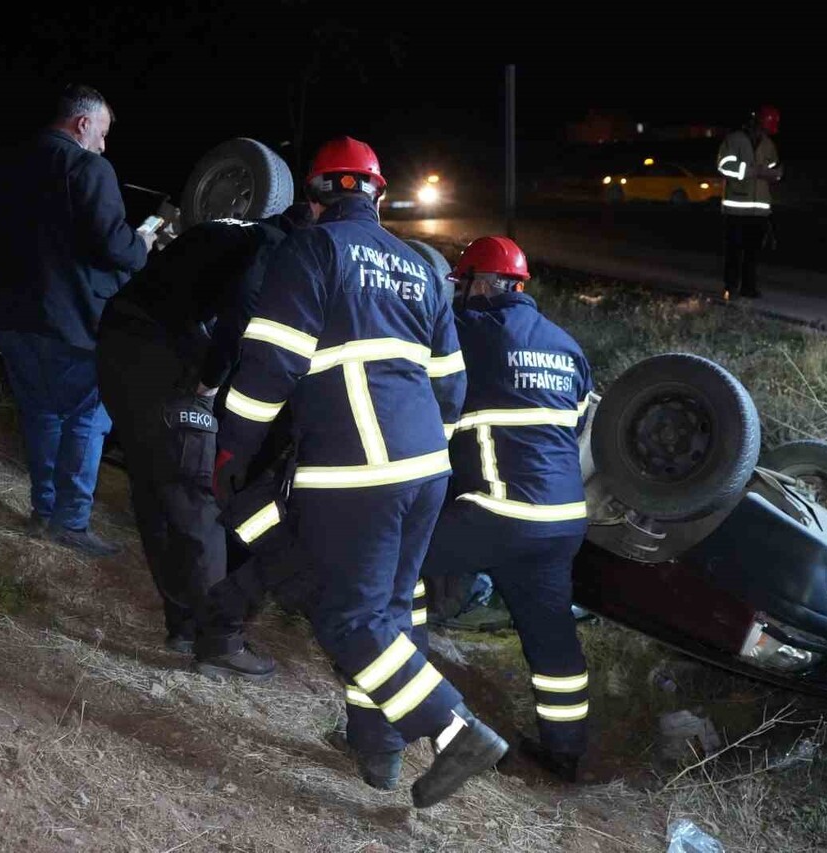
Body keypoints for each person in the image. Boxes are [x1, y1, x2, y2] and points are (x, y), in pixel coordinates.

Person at [213, 136, 508, 809]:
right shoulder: (422, 268)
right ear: (376, 194)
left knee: (348, 616)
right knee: (389, 612)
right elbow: (452, 388)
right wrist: (417, 454)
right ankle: (377, 751)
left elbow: (271, 364)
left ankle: (453, 728)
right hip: (426, 469)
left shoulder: (314, 249)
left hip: (356, 470)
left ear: (316, 198)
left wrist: (231, 449)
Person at [96, 190, 314, 680]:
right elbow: (241, 310)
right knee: (197, 498)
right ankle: (220, 639)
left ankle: (184, 626)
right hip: (160, 357)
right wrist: (211, 380)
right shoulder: (277, 246)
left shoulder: (230, 228)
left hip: (119, 347)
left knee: (155, 490)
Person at [418, 236, 594, 782]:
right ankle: (564, 754)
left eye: (465, 284)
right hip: (562, 522)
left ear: (483, 284)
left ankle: (400, 690)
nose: (461, 295)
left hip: (499, 510)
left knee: (399, 561)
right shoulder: (568, 347)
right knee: (551, 640)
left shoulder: (469, 332)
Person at [0, 83, 153, 556]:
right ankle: (70, 523)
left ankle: (43, 513)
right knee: (88, 416)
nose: (105, 144)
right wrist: (143, 245)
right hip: (75, 324)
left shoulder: (0, 164)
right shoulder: (89, 168)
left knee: (41, 414)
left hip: (12, 319)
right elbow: (115, 247)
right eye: (103, 132)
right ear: (82, 123)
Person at [716, 104, 782, 300]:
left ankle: (748, 288)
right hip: (736, 209)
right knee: (734, 252)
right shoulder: (734, 139)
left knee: (752, 253)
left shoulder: (768, 144)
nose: (766, 130)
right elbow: (724, 166)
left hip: (759, 210)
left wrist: (775, 174)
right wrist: (752, 171)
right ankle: (731, 287)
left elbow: (773, 168)